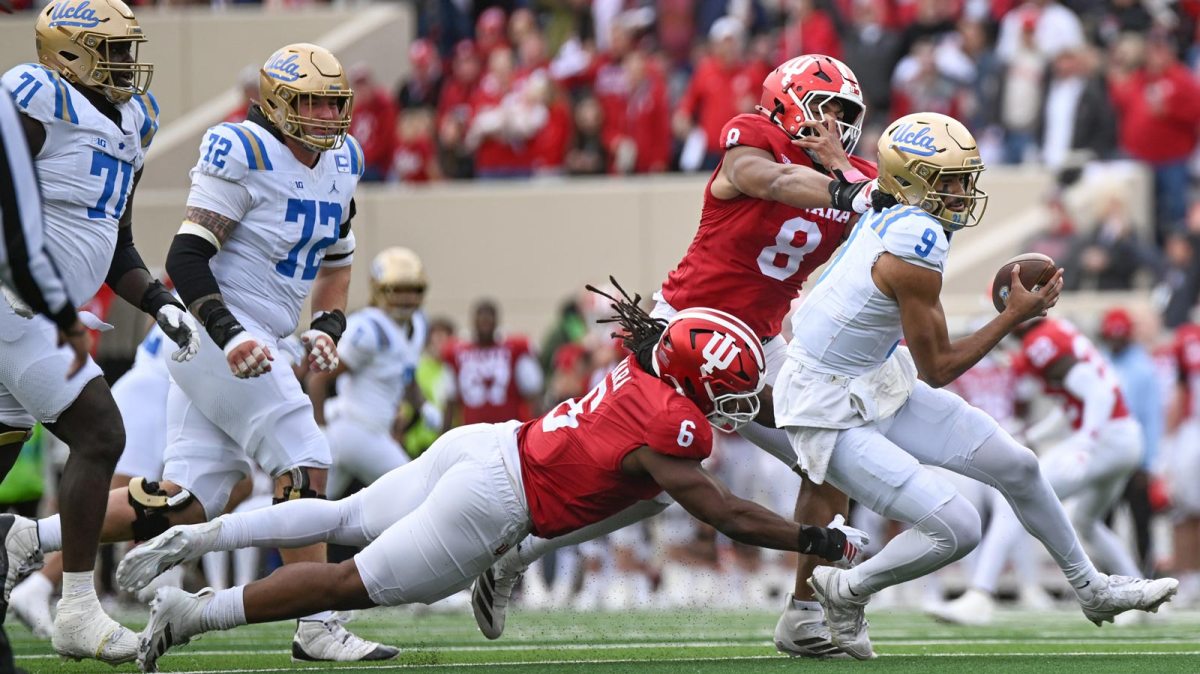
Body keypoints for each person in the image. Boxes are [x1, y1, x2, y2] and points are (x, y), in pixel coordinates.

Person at [117, 293, 867, 672]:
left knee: (341, 515)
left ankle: (201, 534)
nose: (739, 400)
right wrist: (818, 539)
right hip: (495, 501)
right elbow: (726, 512)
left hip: (485, 446)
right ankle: (191, 616)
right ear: (696, 378)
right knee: (341, 584)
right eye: (730, 384)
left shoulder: (643, 366)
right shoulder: (675, 426)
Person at [470, 54, 881, 659]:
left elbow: (899, 227)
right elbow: (769, 181)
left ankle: (805, 613)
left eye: (847, 114)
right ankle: (519, 552)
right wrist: (850, 187)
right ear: (786, 103)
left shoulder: (856, 174)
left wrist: (870, 190)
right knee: (650, 481)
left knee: (826, 454)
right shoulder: (754, 138)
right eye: (828, 108)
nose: (837, 123)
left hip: (761, 343)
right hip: (686, 334)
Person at [2, 42, 395, 663]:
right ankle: (317, 622)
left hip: (259, 341)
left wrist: (327, 325)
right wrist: (230, 333)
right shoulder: (241, 147)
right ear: (276, 101)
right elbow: (187, 255)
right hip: (219, 336)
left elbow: (337, 264)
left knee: (189, 499)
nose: (325, 115)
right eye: (311, 102)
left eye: (333, 102)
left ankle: (28, 537)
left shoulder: (344, 158)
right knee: (305, 460)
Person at [772, 111, 1177, 660]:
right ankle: (847, 590)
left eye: (965, 178)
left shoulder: (890, 201)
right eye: (952, 181)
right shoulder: (915, 247)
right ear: (914, 182)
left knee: (1020, 465)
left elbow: (869, 187)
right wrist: (1015, 315)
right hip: (825, 403)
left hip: (871, 377)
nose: (964, 192)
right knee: (958, 528)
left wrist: (840, 163)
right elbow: (939, 366)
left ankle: (1092, 589)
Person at [0, 0, 204, 663]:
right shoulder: (32, 97)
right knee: (102, 432)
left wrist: (158, 300)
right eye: (112, 50)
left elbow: (115, 241)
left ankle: (12, 549)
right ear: (66, 53)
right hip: (16, 301)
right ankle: (78, 609)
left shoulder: (134, 119)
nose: (126, 64)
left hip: (41, 313)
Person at [930, 316, 1148, 625]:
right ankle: (1143, 594)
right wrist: (1037, 436)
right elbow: (1072, 401)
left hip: (1106, 440)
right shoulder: (1055, 333)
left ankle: (980, 596)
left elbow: (1098, 393)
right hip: (1123, 437)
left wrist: (1085, 444)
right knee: (1085, 522)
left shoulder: (1041, 342)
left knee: (1013, 499)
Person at [308, 247, 440, 498]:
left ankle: (251, 529)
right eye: (398, 290)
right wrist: (320, 431)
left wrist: (423, 406)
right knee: (416, 492)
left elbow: (406, 376)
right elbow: (317, 380)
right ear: (380, 289)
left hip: (372, 432)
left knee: (314, 503)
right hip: (355, 428)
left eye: (413, 290)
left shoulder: (419, 324)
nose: (407, 299)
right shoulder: (368, 329)